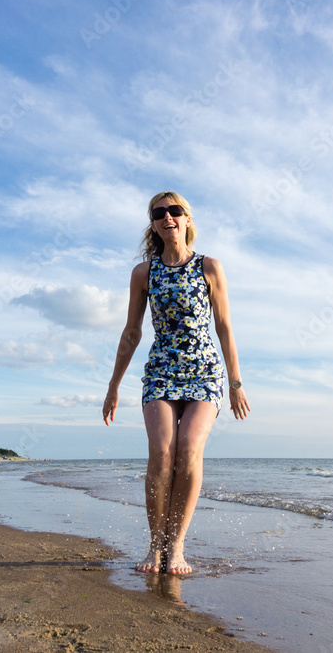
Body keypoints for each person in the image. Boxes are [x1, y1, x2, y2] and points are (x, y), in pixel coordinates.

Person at [103, 191, 250, 575]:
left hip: (204, 372)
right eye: (158, 213)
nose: (167, 217)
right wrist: (113, 385)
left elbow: (224, 327)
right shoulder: (144, 272)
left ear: (187, 219)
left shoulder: (209, 266)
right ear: (153, 223)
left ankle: (178, 545)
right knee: (162, 451)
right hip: (161, 372)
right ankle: (156, 545)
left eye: (175, 211)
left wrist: (235, 384)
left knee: (188, 448)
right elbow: (131, 332)